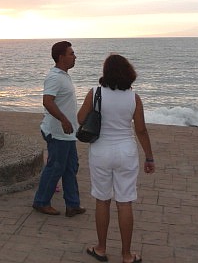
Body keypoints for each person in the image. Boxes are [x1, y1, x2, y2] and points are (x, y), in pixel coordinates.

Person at [77, 54, 155, 263]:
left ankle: (101, 249)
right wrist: (149, 157)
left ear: (106, 72)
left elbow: (80, 118)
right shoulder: (134, 97)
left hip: (101, 151)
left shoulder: (95, 93)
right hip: (126, 152)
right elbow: (141, 130)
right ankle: (127, 255)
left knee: (102, 200)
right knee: (125, 202)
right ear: (128, 72)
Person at [32, 41, 86, 217]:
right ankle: (41, 202)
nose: (75, 56)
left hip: (67, 134)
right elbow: (47, 101)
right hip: (57, 133)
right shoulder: (54, 77)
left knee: (71, 167)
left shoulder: (63, 75)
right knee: (55, 167)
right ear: (61, 57)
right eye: (71, 53)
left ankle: (72, 205)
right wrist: (63, 119)